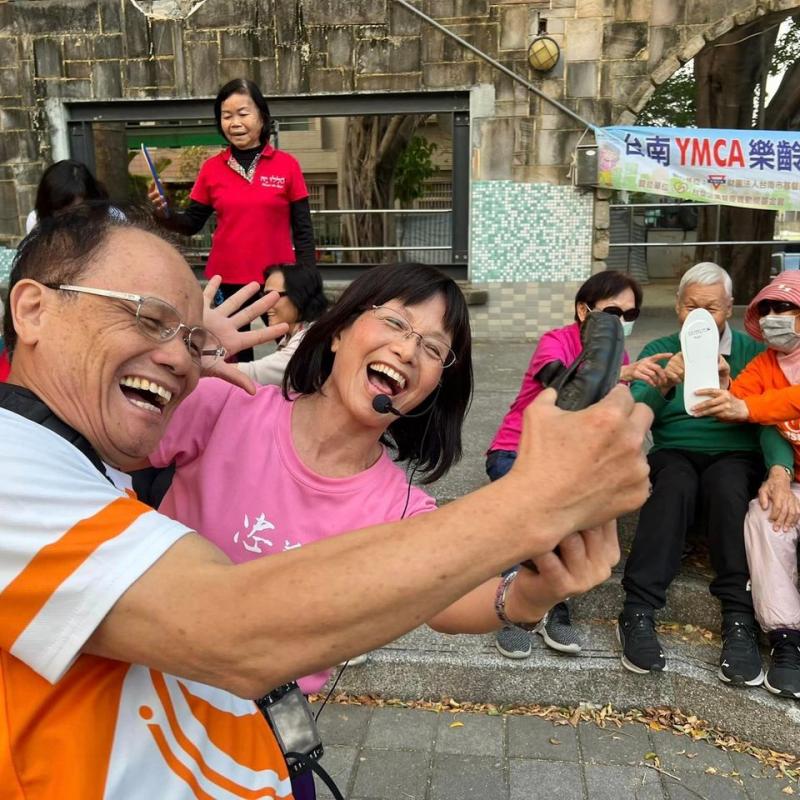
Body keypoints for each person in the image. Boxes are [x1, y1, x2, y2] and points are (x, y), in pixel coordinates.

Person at [0, 207, 651, 797]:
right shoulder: (221, 409)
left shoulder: (403, 509)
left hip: (260, 742)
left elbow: (454, 596)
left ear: (433, 388)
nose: (407, 348)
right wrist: (186, 356)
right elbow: (107, 446)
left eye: (433, 349)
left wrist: (531, 593)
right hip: (155, 709)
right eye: (393, 322)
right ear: (337, 332)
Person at [617, 262, 796, 687]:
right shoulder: (660, 348)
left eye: (712, 308)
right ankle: (638, 610)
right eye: (691, 306)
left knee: (729, 484)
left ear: (729, 309)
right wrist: (664, 382)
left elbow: (767, 421)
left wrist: (779, 470)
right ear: (678, 307)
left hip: (736, 453)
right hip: (675, 450)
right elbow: (635, 416)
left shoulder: (754, 353)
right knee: (673, 482)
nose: (700, 315)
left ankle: (739, 618)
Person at [486, 270, 666, 660]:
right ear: (584, 310)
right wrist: (622, 374)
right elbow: (558, 383)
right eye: (613, 311)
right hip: (516, 449)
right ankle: (515, 613)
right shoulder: (556, 341)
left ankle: (555, 607)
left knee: (573, 509)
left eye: (630, 314)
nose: (622, 321)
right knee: (533, 511)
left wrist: (661, 384)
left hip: (571, 458)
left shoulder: (620, 355)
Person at [149, 78, 315, 362]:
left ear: (262, 117)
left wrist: (308, 277)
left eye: (243, 113)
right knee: (234, 357)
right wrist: (165, 213)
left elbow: (303, 229)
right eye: (226, 116)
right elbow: (191, 223)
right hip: (226, 280)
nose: (235, 123)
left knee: (294, 350)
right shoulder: (211, 169)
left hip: (277, 282)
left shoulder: (287, 165)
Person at [691, 271, 800, 698]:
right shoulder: (764, 364)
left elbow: (769, 405)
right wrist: (720, 387)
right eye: (767, 308)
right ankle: (786, 638)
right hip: (794, 482)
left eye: (784, 307)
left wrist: (748, 407)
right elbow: (740, 402)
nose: (773, 316)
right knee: (764, 517)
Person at [237, 262, 328, 386]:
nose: (264, 303)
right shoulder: (292, 334)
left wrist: (213, 357)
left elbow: (255, 372)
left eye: (272, 296)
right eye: (263, 296)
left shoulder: (311, 338)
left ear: (300, 295)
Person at [25, 159, 124, 234]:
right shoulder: (36, 222)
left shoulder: (114, 218)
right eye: (62, 214)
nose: (70, 221)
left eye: (77, 211)